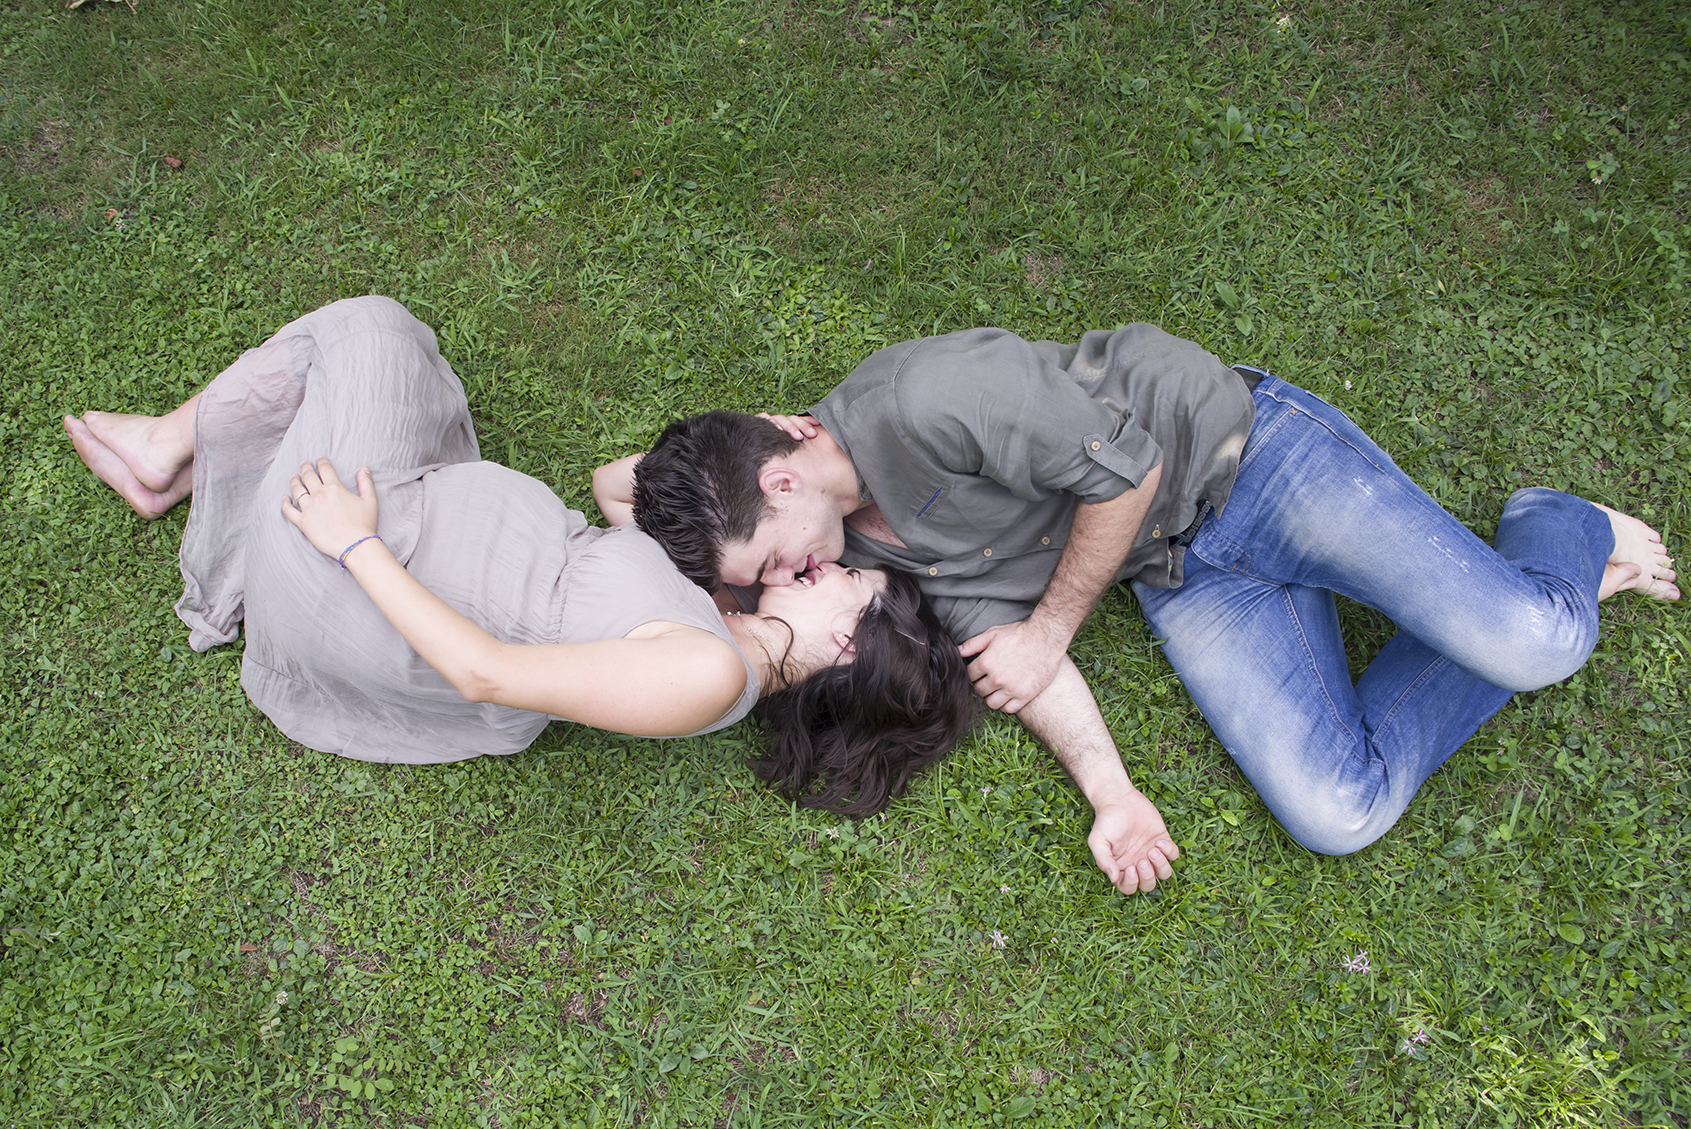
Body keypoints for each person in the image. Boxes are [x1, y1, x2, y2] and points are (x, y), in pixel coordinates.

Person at [614, 324, 1679, 895]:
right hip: (1183, 572)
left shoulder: (925, 399)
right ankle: (1498, 593)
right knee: (1335, 812)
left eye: (763, 563)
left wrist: (1051, 625)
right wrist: (1111, 794)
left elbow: (1120, 478)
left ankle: (1554, 529)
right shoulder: (871, 559)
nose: (770, 586)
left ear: (789, 476)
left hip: (1244, 461)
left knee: (1534, 641)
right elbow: (619, 488)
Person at [63, 297, 973, 809]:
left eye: (843, 576)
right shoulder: (724, 619)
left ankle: (169, 453)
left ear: (849, 641)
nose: (822, 563)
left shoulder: (706, 674)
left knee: (372, 331)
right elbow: (617, 484)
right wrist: (759, 467)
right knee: (401, 367)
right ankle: (224, 465)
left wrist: (356, 543)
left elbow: (486, 674)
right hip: (406, 526)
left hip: (354, 575)